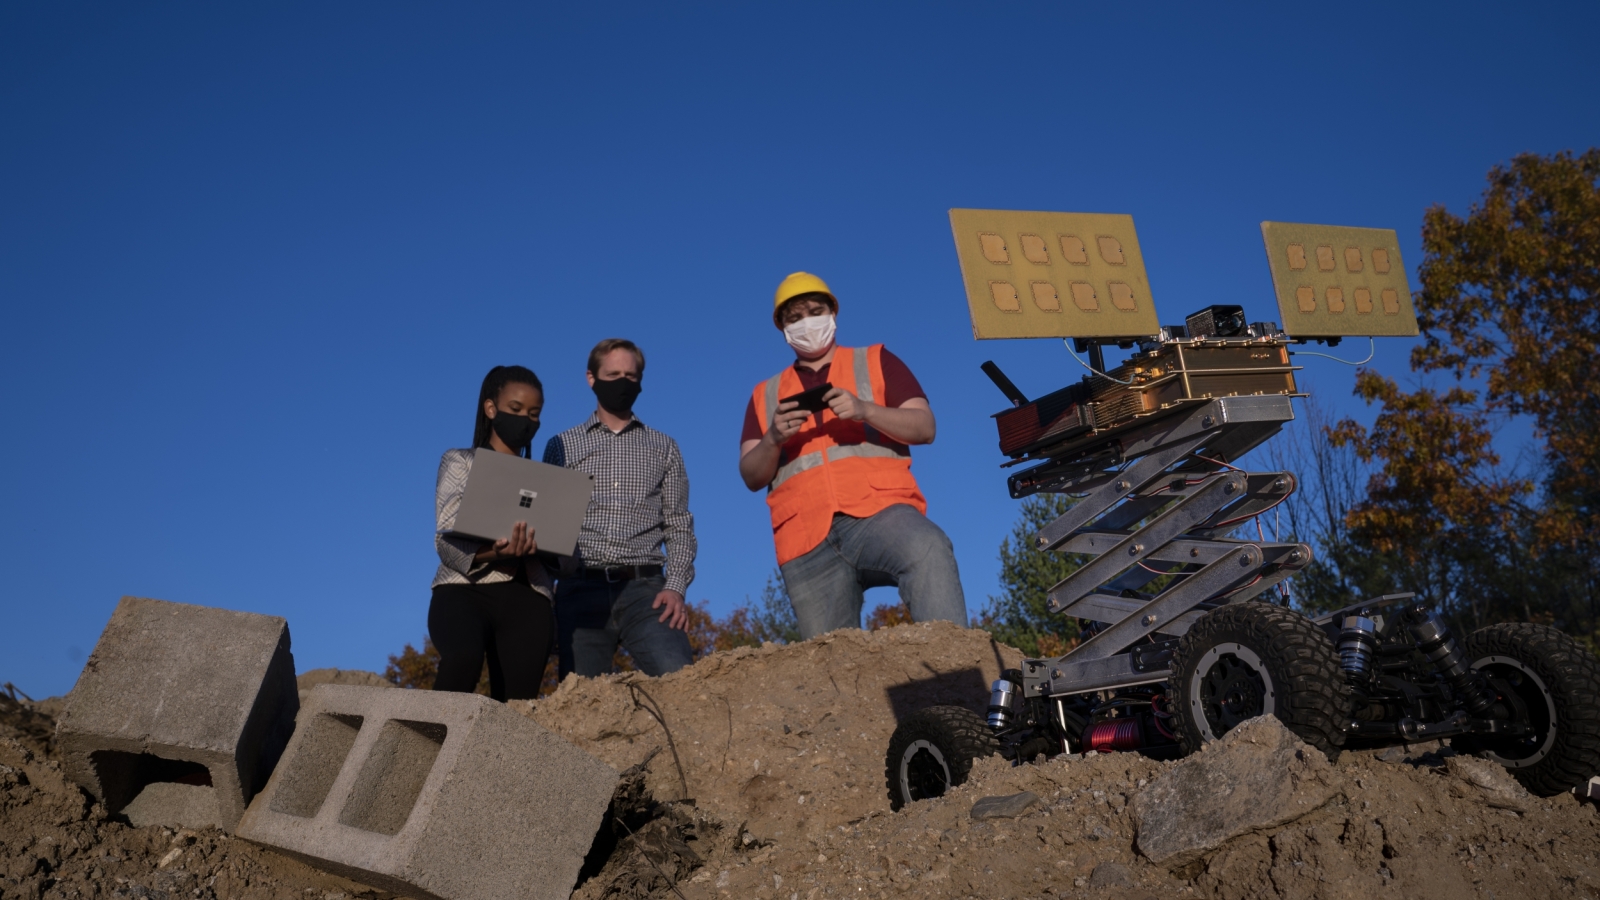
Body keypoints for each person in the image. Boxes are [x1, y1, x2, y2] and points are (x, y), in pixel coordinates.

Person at [739, 272, 967, 640]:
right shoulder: (764, 395)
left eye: (815, 311)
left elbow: (925, 427)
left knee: (927, 548)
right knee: (832, 666)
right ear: (781, 326)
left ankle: (955, 672)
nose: (807, 323)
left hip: (881, 512)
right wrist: (773, 439)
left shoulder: (877, 359)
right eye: (795, 317)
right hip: (805, 538)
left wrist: (865, 410)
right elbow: (751, 474)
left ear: (833, 312)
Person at [543, 338, 697, 678]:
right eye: (613, 374)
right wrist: (548, 599)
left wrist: (676, 587)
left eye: (631, 375)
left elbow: (679, 523)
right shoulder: (561, 446)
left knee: (680, 682)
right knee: (580, 702)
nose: (622, 382)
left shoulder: (664, 447)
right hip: (580, 590)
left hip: (647, 591)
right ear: (591, 378)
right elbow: (551, 529)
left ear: (641, 381)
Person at [430, 365, 554, 702]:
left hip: (529, 597)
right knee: (461, 662)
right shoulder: (460, 461)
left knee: (518, 705)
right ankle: (427, 748)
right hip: (464, 592)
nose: (526, 420)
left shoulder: (549, 482)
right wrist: (498, 552)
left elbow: (567, 560)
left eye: (534, 413)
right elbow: (445, 540)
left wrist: (546, 546)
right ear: (491, 408)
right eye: (515, 410)